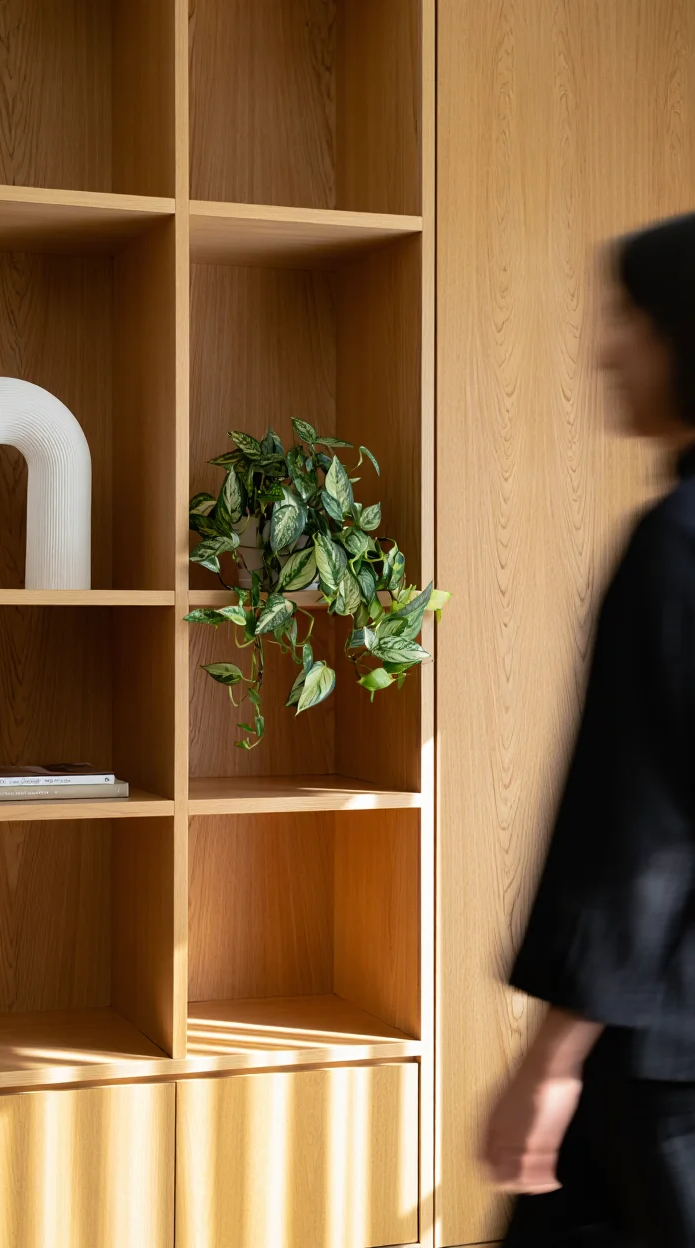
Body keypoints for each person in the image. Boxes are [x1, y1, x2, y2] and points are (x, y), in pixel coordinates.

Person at [482, 211, 695, 1246]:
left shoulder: (676, 548)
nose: (606, 350)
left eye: (631, 320)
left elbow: (635, 839)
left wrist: (547, 1062)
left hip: (660, 1055)